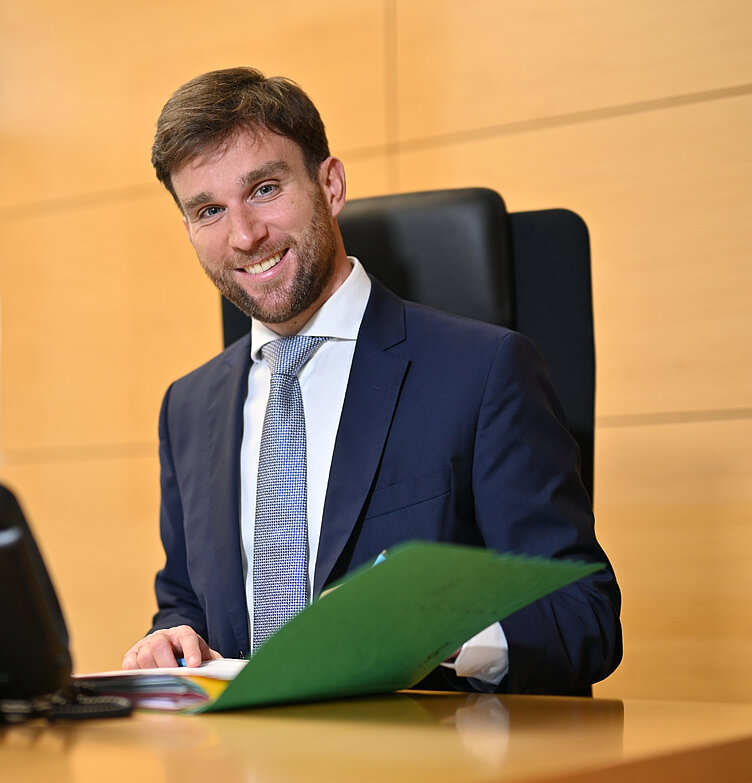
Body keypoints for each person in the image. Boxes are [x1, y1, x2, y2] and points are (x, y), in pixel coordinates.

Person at [121, 67, 621, 699]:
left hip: (425, 779)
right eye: (209, 210)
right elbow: (185, 603)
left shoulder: (485, 370)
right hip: (237, 782)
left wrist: (441, 630)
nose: (244, 235)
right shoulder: (187, 408)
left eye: (266, 189)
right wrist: (172, 637)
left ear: (329, 185)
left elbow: (586, 615)